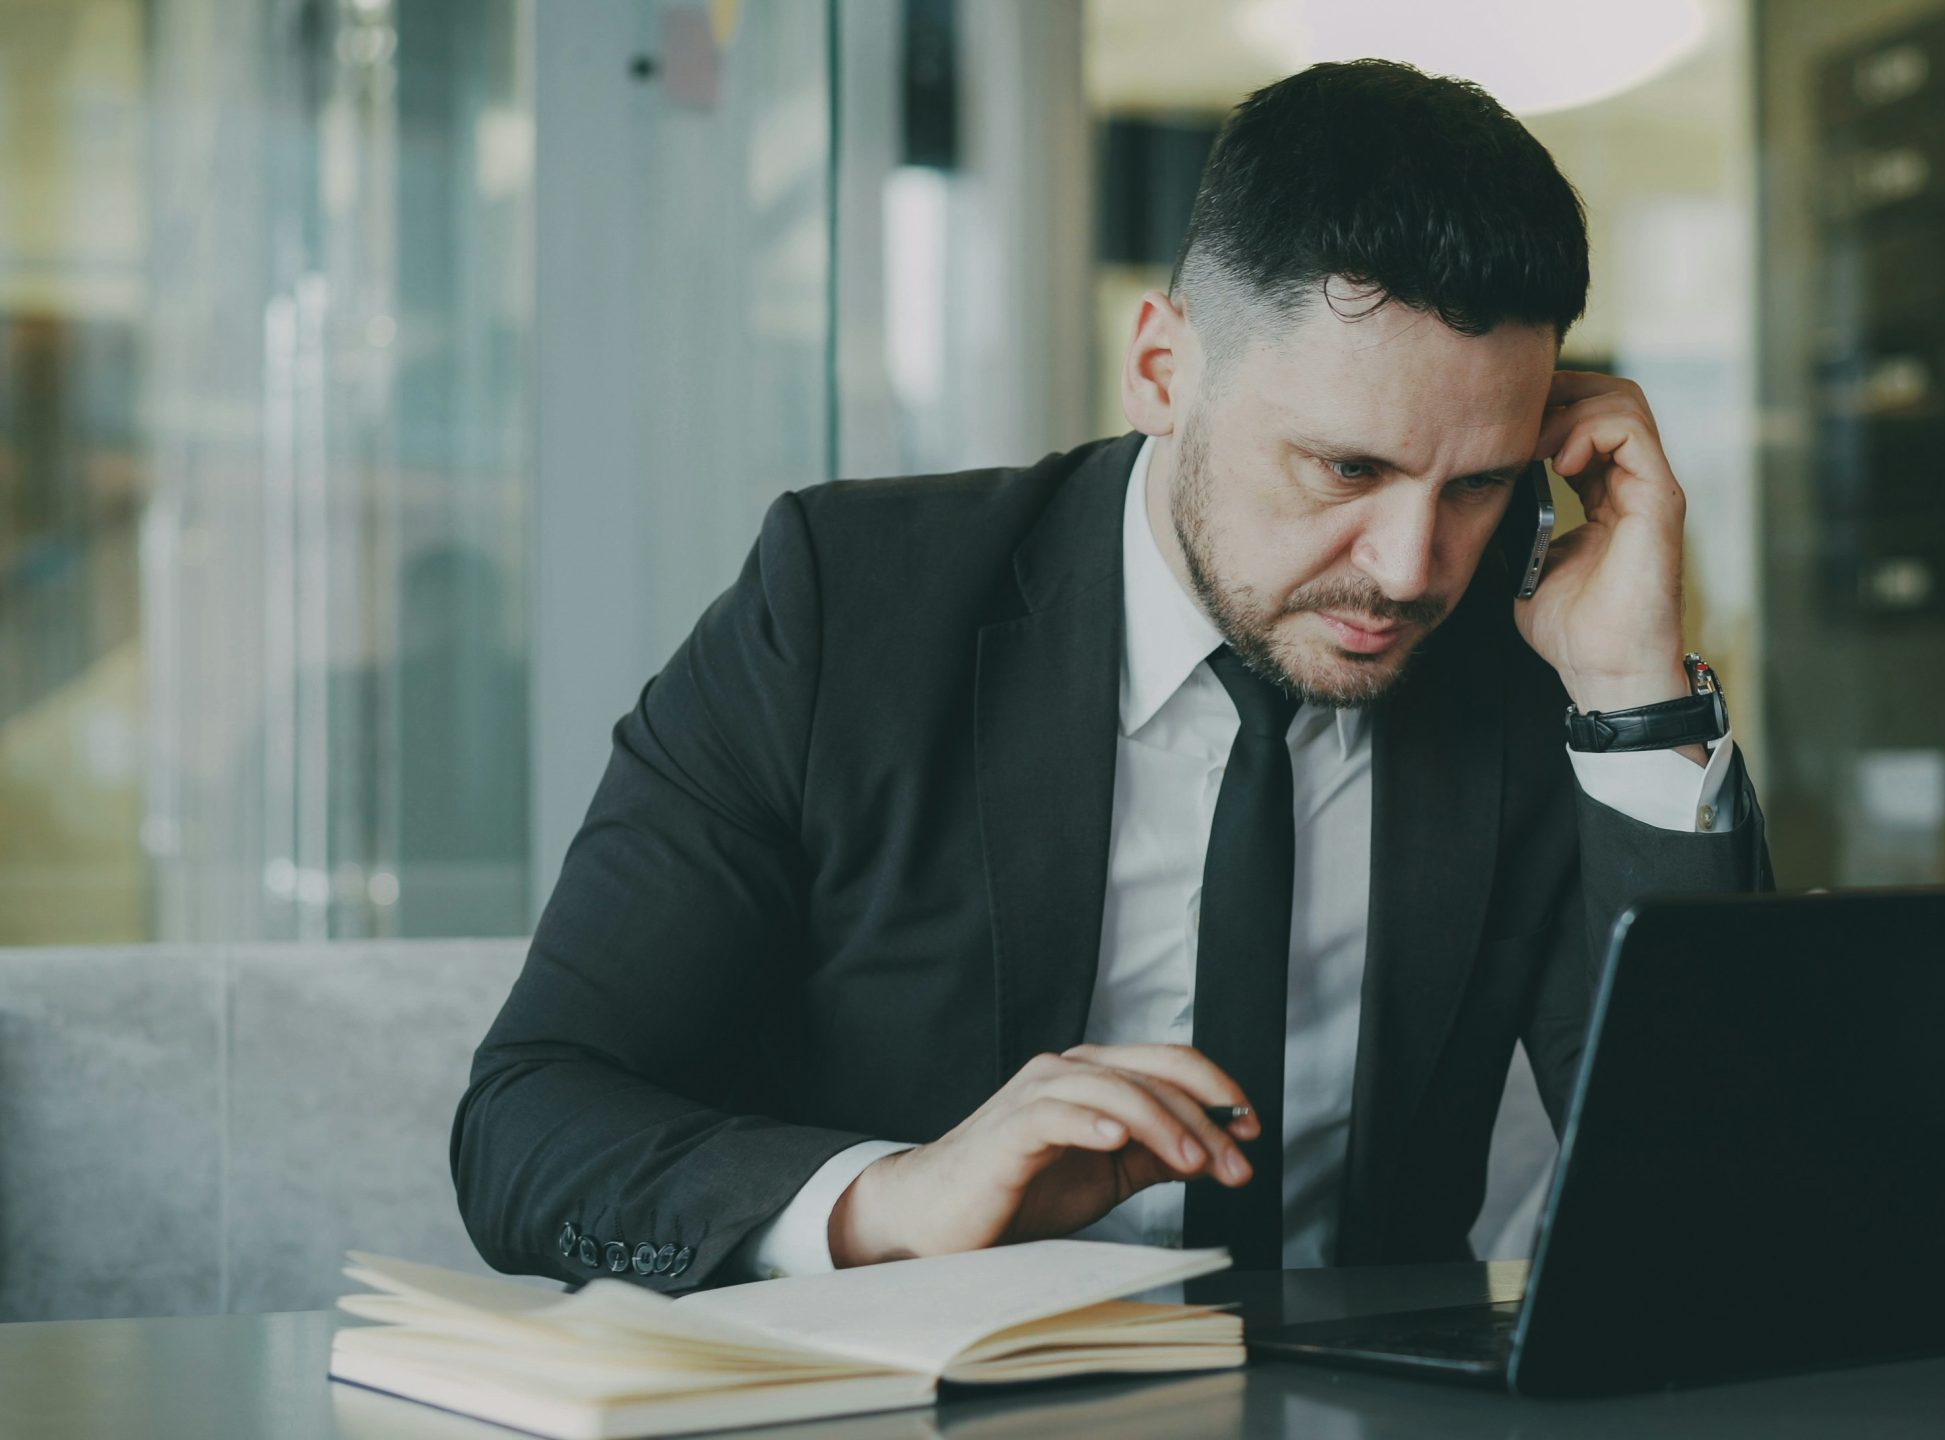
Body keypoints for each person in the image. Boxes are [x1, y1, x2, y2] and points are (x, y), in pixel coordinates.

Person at [453, 58, 1772, 1290]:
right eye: (1346, 468)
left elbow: (1723, 1196)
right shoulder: (847, 604)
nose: (1412, 565)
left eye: (1480, 483)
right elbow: (530, 1121)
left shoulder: (1526, 640)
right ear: (1159, 368)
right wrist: (900, 1201)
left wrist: (1633, 702)